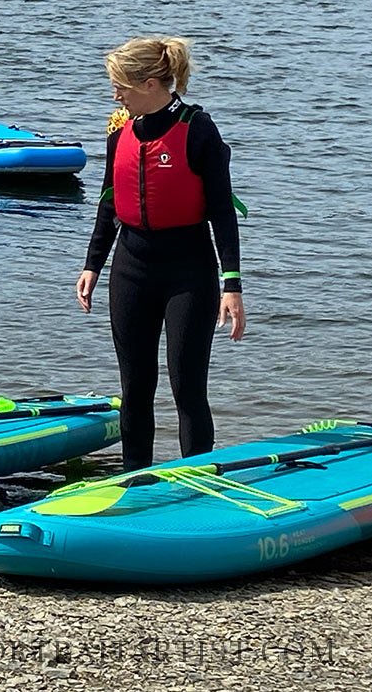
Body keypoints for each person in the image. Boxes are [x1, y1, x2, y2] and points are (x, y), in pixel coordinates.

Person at [75, 36, 245, 472]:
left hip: (188, 271)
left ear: (150, 83)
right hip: (130, 270)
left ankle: (198, 481)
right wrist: (93, 264)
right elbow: (110, 202)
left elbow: (223, 213)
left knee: (187, 388)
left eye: (121, 86)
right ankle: (136, 481)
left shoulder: (198, 130)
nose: (115, 95)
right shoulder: (121, 133)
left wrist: (232, 286)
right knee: (135, 387)